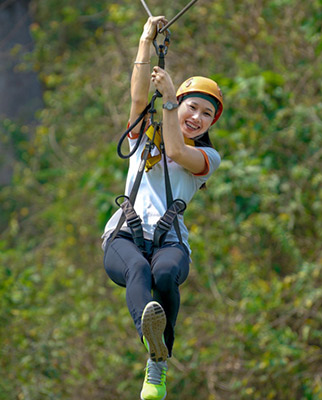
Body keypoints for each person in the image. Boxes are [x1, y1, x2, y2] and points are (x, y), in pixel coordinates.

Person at [101, 15, 224, 400]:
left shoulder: (207, 157)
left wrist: (171, 99)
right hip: (126, 235)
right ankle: (152, 339)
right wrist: (144, 40)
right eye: (192, 107)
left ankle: (157, 363)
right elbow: (139, 98)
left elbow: (174, 151)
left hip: (170, 240)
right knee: (138, 268)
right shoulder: (142, 136)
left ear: (210, 124)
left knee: (167, 273)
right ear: (181, 106)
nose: (196, 117)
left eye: (206, 114)